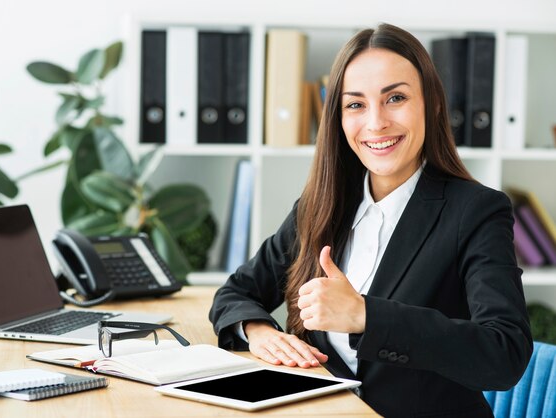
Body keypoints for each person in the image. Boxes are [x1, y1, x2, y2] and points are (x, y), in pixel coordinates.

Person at [209, 23, 532, 418]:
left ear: (431, 104)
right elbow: (236, 293)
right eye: (356, 104)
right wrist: (259, 333)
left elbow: (505, 354)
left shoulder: (476, 211)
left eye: (395, 97)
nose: (376, 123)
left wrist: (365, 315)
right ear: (339, 119)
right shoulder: (322, 206)